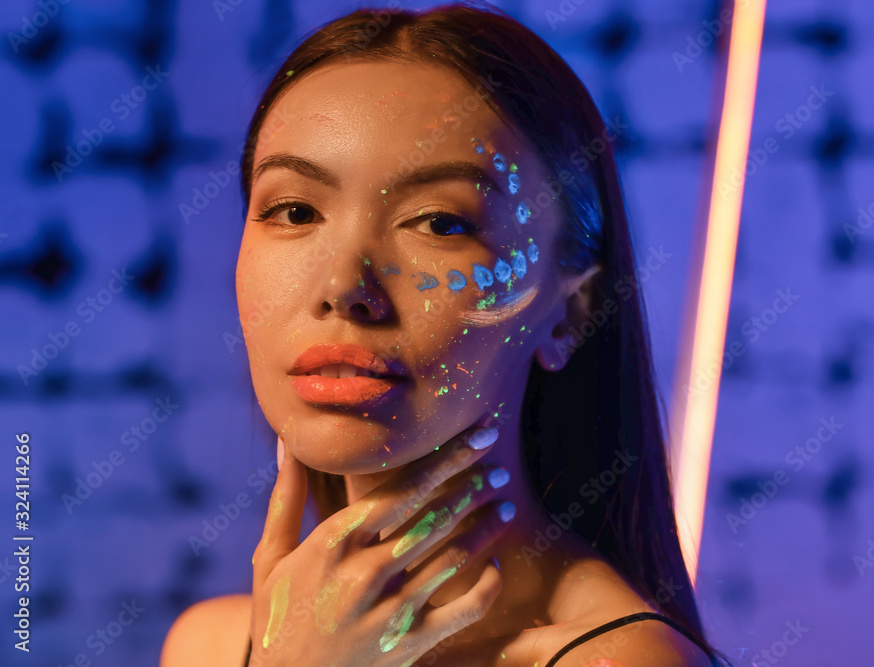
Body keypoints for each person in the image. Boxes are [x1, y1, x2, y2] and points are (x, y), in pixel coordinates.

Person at [161, 3, 728, 665]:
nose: (344, 285)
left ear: (573, 311)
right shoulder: (208, 645)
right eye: (295, 210)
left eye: (439, 223)